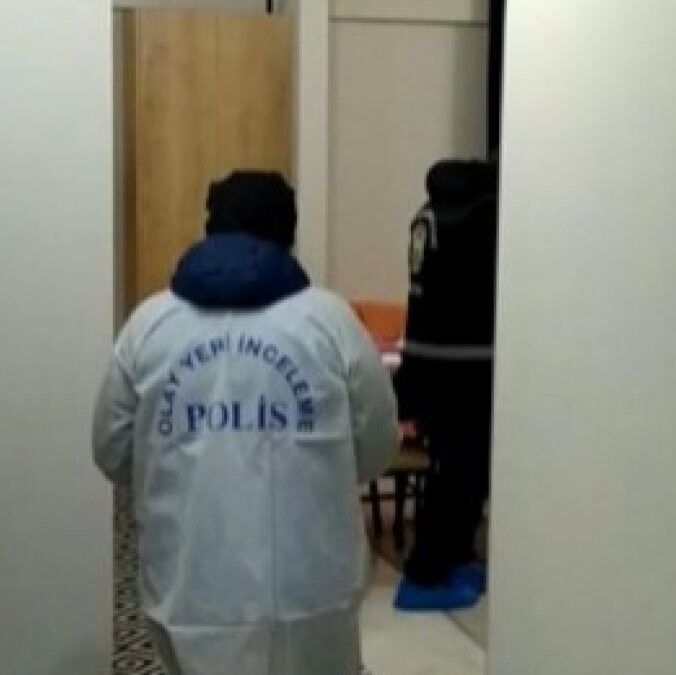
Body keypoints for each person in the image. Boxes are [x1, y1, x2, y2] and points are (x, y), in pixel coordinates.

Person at [92, 171, 399, 675]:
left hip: (188, 588)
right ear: (289, 234)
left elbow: (111, 449)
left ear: (210, 228)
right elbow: (378, 445)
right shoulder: (331, 322)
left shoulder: (149, 325)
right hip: (312, 590)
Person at [394, 159, 498, 611]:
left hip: (425, 360)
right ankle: (426, 572)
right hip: (473, 363)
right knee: (461, 475)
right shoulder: (486, 216)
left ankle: (453, 559)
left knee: (451, 470)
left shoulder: (427, 217)